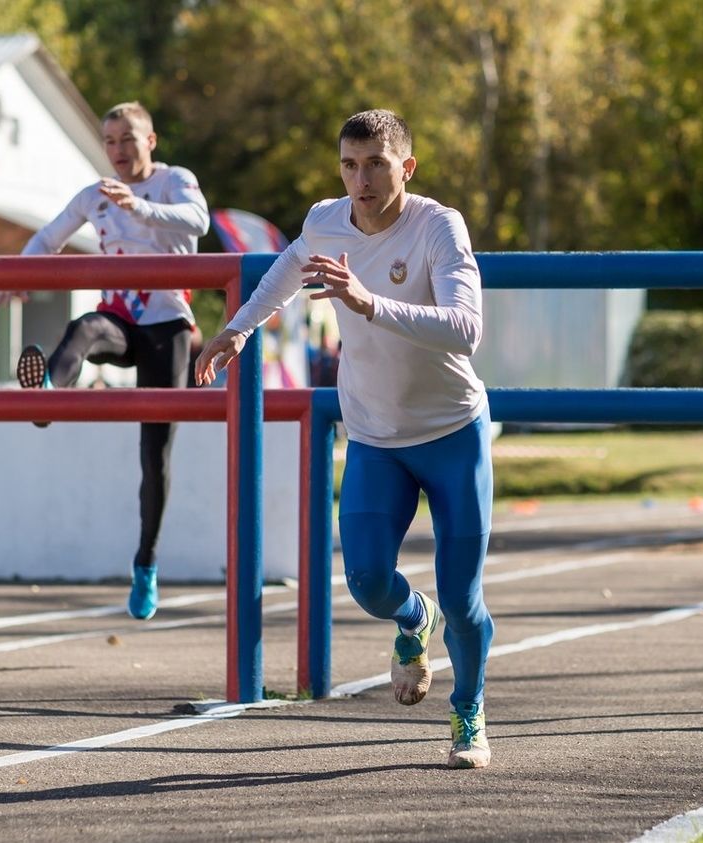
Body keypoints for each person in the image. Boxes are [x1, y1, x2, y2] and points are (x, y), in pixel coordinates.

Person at [195, 109, 492, 769]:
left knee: (465, 596)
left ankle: (468, 712)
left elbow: (466, 328)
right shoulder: (325, 220)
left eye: (376, 165)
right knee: (363, 579)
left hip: (451, 433)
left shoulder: (439, 226)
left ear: (406, 167)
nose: (361, 180)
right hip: (375, 437)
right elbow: (287, 269)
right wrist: (241, 328)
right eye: (350, 165)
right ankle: (416, 618)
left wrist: (369, 302)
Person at [0, 101, 210, 621]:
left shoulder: (175, 180)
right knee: (84, 327)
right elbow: (48, 237)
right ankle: (46, 400)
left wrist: (138, 207)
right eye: (109, 142)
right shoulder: (94, 195)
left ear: (150, 141)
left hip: (167, 326)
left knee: (154, 455)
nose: (118, 151)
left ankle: (146, 561)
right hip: (120, 320)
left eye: (128, 139)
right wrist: (15, 276)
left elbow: (197, 223)